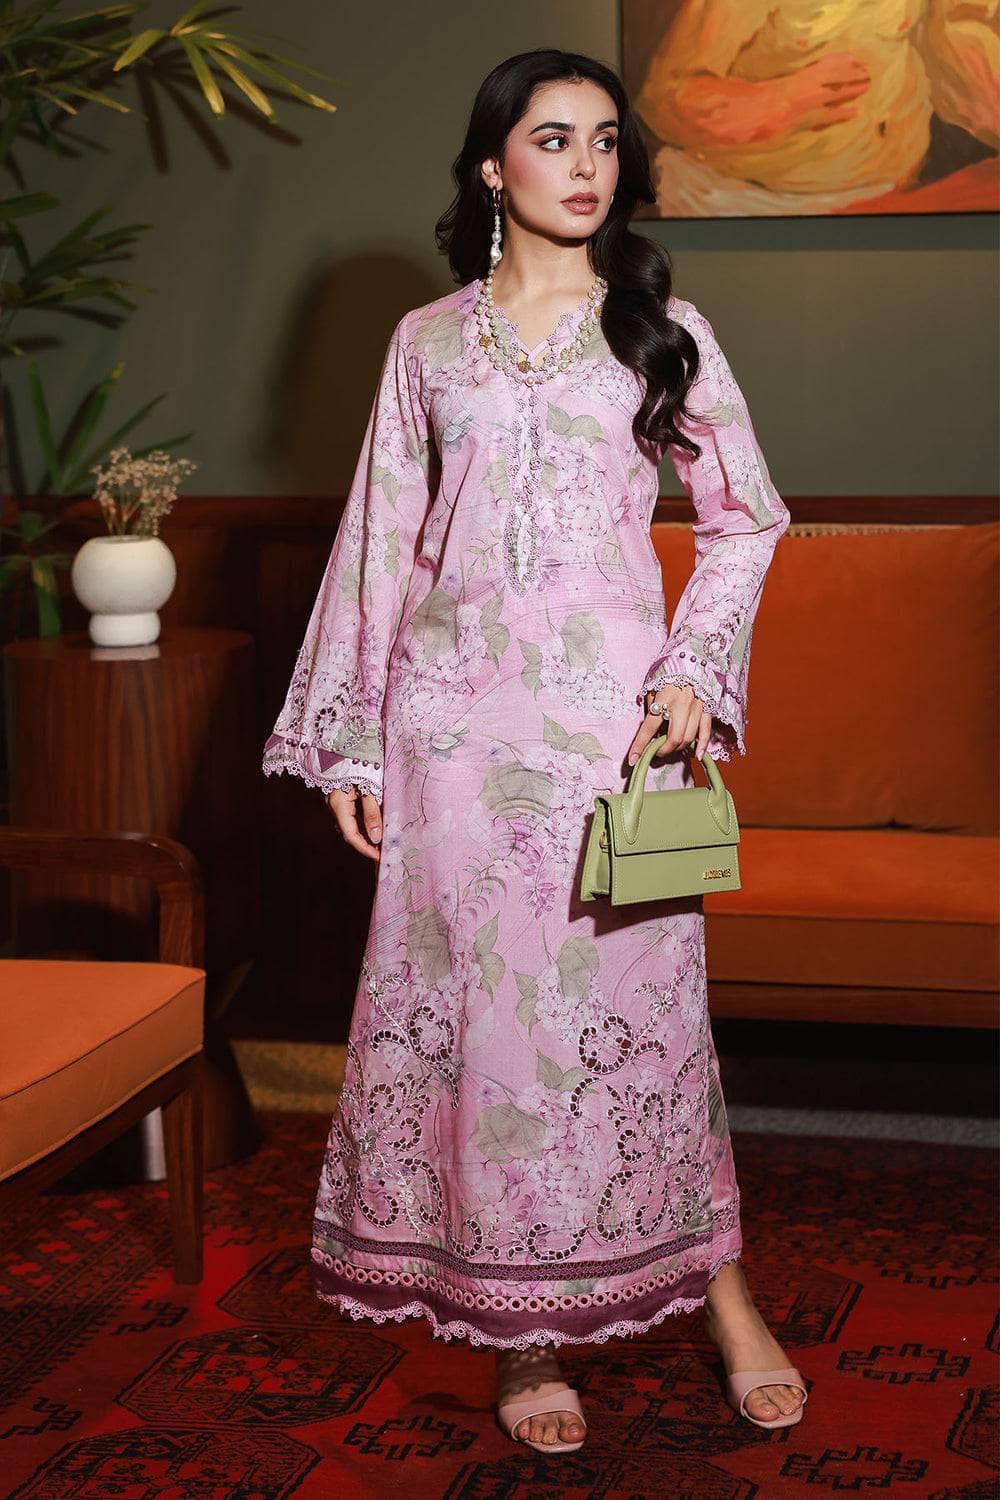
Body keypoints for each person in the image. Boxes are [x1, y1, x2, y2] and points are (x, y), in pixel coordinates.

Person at [263, 48, 805, 1454]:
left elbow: (748, 517)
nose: (585, 163)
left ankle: (722, 1293)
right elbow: (381, 552)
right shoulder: (426, 344)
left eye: (608, 140)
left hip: (615, 745)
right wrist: (351, 742)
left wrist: (693, 672)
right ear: (491, 167)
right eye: (551, 137)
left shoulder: (662, 330)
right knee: (496, 1055)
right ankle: (524, 1341)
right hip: (452, 745)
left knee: (643, 1039)